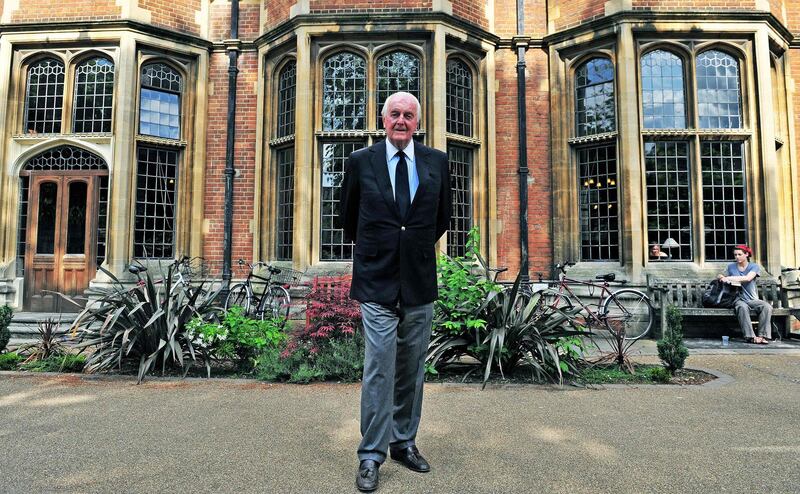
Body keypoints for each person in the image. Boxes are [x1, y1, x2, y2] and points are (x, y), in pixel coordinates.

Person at [339, 91, 452, 492]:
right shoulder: (360, 162)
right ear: (382, 120)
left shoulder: (437, 161)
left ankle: (403, 441)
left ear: (417, 122)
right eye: (395, 115)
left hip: (419, 281)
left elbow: (442, 218)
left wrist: (411, 247)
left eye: (408, 115)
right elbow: (348, 218)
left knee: (412, 370)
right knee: (380, 367)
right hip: (377, 281)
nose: (401, 121)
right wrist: (384, 248)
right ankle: (371, 454)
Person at [718, 244, 772, 344]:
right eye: (735, 255)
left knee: (766, 307)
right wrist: (722, 278)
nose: (737, 257)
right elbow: (720, 275)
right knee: (742, 308)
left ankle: (762, 336)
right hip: (737, 299)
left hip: (751, 298)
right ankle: (750, 336)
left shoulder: (754, 266)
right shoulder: (731, 267)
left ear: (746, 254)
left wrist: (729, 278)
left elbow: (748, 278)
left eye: (739, 254)